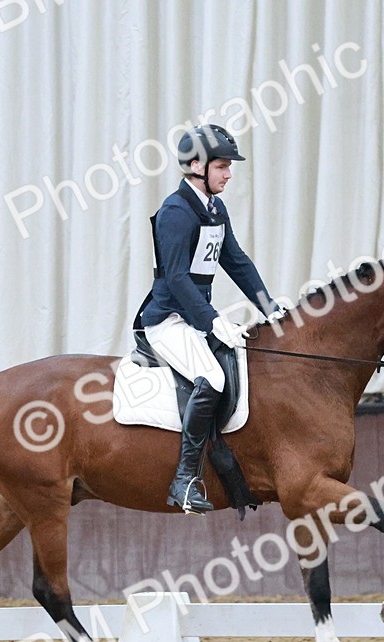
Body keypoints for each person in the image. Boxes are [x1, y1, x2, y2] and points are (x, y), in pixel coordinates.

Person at [135, 124, 284, 514]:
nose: (229, 174)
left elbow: (236, 261)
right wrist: (212, 320)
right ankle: (184, 480)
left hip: (195, 318)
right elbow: (177, 277)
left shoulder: (215, 209)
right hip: (167, 320)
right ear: (197, 166)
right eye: (222, 166)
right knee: (213, 378)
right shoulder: (175, 212)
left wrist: (270, 306)